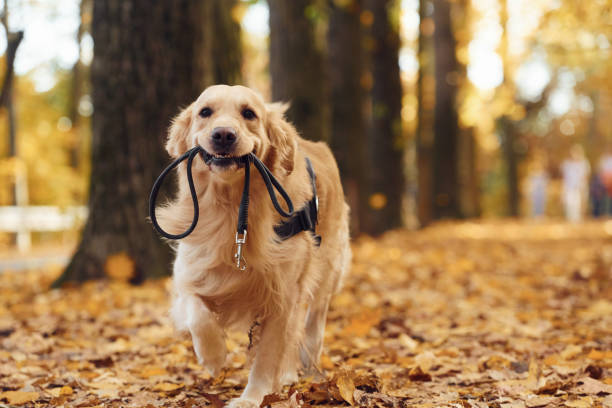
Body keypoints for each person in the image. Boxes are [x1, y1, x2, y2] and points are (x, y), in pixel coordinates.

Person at [560, 145, 590, 222]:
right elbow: (564, 177)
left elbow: (585, 176)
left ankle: (578, 221)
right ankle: (570, 221)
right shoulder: (567, 164)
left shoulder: (584, 163)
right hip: (569, 188)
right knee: (569, 206)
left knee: (579, 206)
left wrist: (583, 187)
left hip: (579, 188)